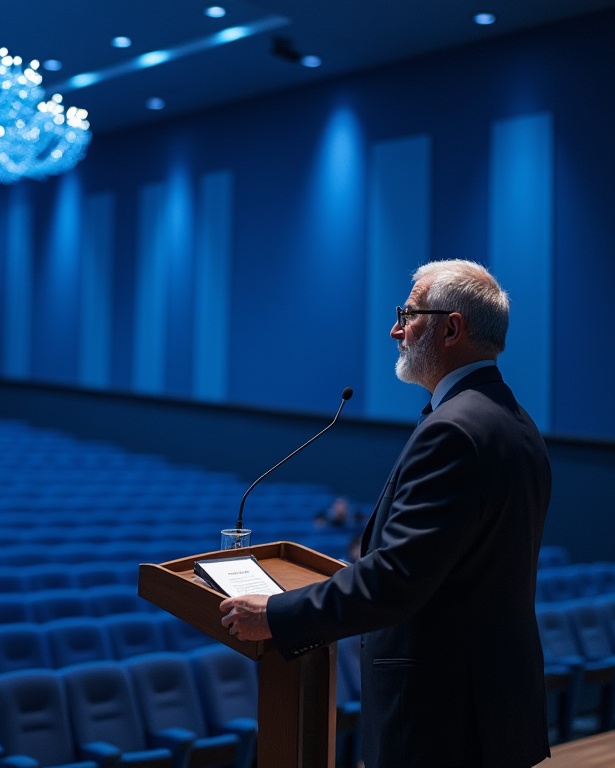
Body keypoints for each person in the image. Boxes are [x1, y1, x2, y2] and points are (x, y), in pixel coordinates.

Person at [220, 259, 551, 768]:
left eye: (408, 313)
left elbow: (396, 579)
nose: (395, 329)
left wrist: (276, 615)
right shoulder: (516, 424)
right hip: (490, 708)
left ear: (451, 328)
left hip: (438, 718)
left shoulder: (454, 431)